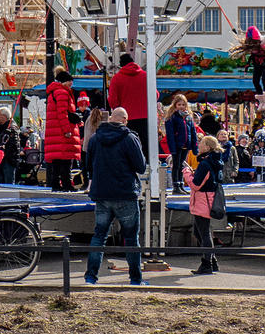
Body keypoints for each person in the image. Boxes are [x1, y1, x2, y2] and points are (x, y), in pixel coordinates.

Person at [83, 107, 148, 286]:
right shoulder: (129, 138)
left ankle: (91, 278)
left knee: (99, 236)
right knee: (131, 239)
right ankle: (136, 279)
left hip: (102, 194)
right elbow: (141, 167)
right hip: (125, 193)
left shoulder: (95, 138)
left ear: (111, 118)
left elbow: (88, 165)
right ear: (125, 120)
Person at [188, 135, 226, 275]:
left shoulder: (205, 164)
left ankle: (207, 263)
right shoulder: (215, 162)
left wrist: (187, 174)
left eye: (201, 143)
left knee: (203, 233)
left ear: (207, 147)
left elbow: (196, 185)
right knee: (198, 231)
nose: (198, 145)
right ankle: (212, 260)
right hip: (209, 199)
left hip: (202, 201)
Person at [107, 53, 151, 158]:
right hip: (145, 118)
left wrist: (118, 110)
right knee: (145, 149)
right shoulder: (145, 75)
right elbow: (155, 95)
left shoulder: (117, 78)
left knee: (127, 149)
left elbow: (112, 101)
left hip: (126, 119)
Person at [44, 68, 80, 192]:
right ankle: (66, 183)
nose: (71, 83)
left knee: (57, 160)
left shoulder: (54, 92)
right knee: (66, 160)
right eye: (69, 81)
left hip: (55, 131)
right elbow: (62, 113)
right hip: (62, 131)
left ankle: (56, 183)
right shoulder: (63, 93)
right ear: (64, 81)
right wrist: (67, 130)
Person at [231, 26, 265, 105]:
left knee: (264, 79)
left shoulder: (264, 41)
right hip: (257, 64)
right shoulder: (248, 44)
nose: (253, 45)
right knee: (255, 81)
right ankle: (260, 98)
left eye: (254, 42)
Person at [164, 96, 198, 193]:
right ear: (175, 105)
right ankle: (176, 185)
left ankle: (180, 184)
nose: (182, 107)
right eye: (179, 105)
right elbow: (170, 134)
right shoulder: (172, 118)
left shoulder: (188, 118)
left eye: (183, 105)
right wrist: (172, 148)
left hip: (186, 144)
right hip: (177, 144)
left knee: (182, 165)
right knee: (176, 165)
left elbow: (193, 132)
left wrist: (194, 147)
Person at [0, 105, 21, 184]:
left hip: (8, 160)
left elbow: (13, 145)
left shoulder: (11, 129)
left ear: (4, 116)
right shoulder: (2, 128)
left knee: (8, 183)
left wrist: (6, 157)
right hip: (1, 160)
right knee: (1, 182)